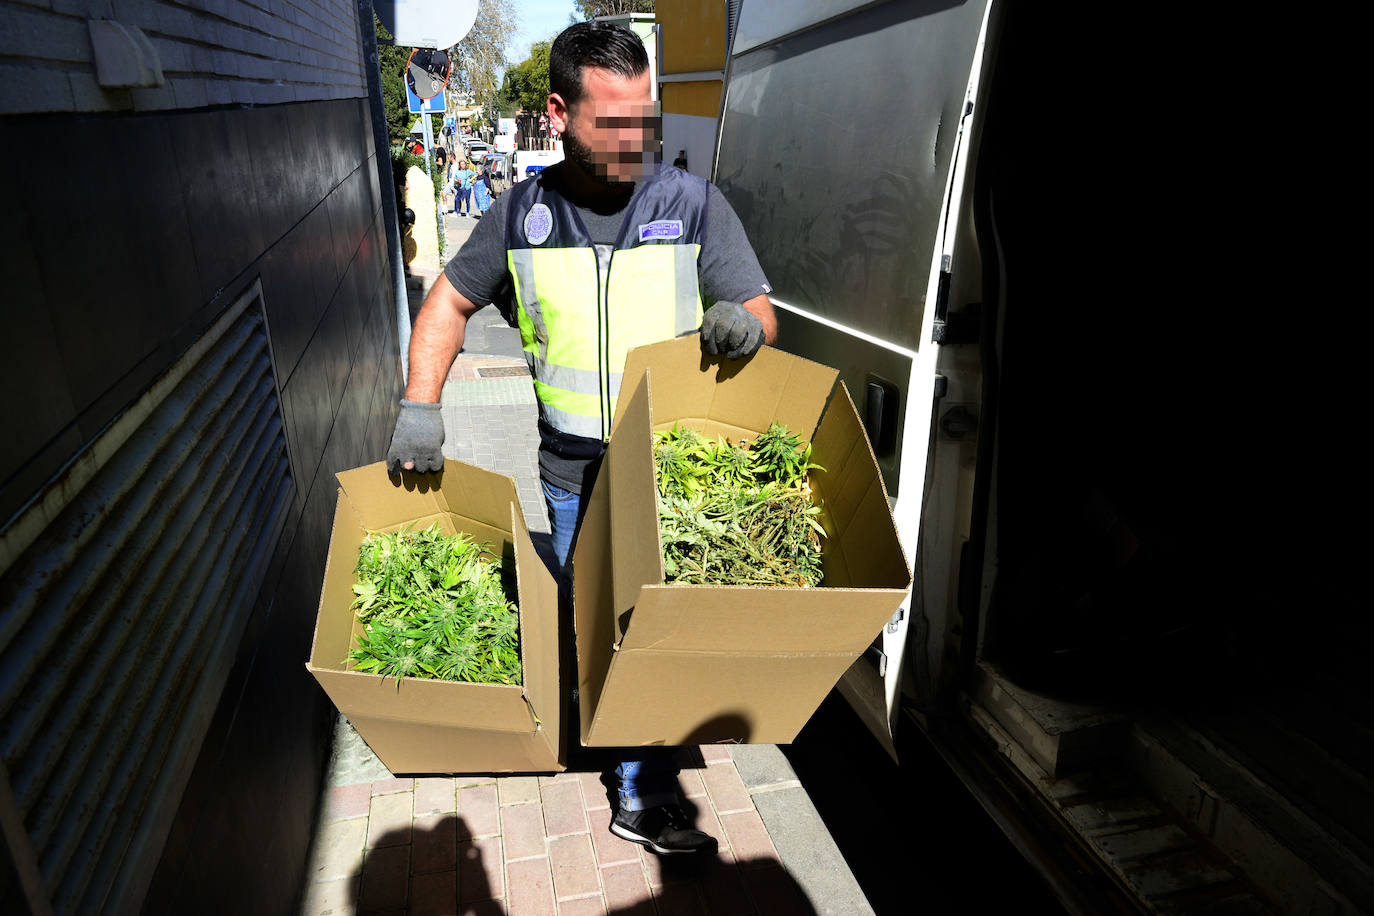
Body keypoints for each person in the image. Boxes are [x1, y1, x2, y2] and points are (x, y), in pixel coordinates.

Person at [386, 20, 776, 856]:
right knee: (590, 622)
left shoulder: (692, 204)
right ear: (558, 113)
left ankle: (642, 783)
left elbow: (759, 311)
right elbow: (448, 303)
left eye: (647, 119)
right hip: (567, 473)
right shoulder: (521, 215)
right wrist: (422, 405)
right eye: (614, 123)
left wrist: (741, 325)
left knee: (651, 627)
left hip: (666, 474)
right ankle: (617, 755)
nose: (636, 141)